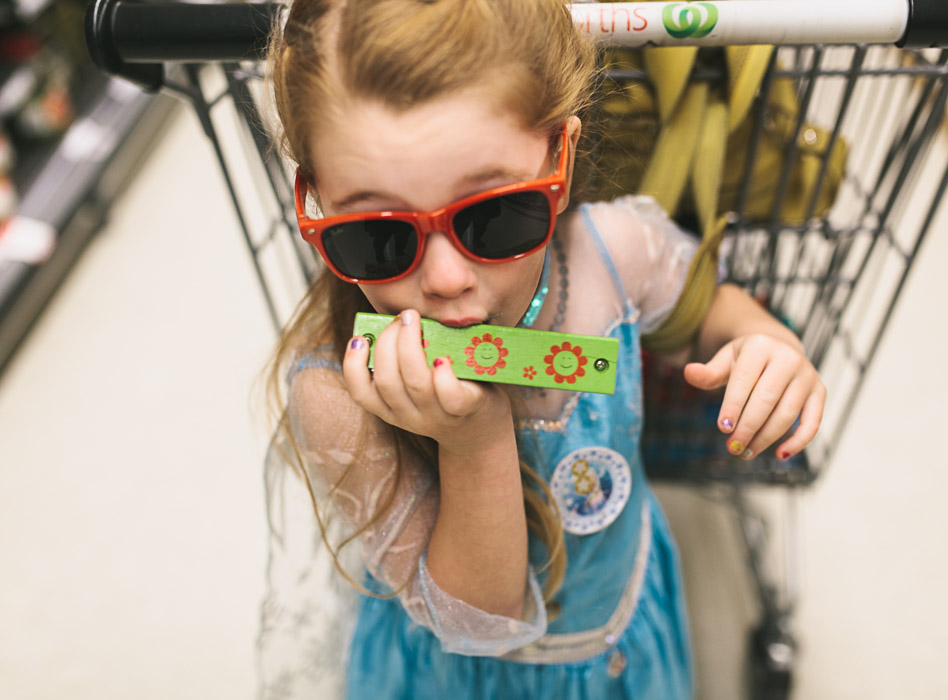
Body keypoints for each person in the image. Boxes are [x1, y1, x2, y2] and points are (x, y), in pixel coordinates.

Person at [261, 0, 825, 697]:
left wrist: (769, 345)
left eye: (496, 215)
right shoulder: (334, 391)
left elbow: (712, 313)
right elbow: (482, 621)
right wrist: (472, 442)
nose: (445, 279)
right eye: (377, 235)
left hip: (619, 638)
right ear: (315, 205)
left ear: (559, 155)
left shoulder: (618, 256)